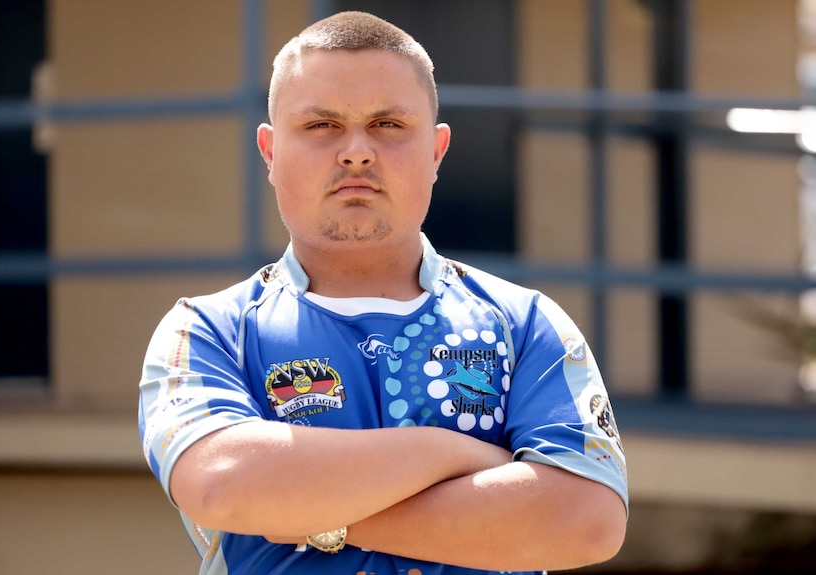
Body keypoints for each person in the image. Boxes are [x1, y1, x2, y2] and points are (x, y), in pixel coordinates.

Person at [138, 10, 628, 575]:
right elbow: (224, 488)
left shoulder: (526, 325)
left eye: (388, 125)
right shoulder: (207, 331)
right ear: (270, 153)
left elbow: (586, 521)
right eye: (321, 125)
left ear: (437, 151)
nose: (356, 152)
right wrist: (455, 453)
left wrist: (310, 511)